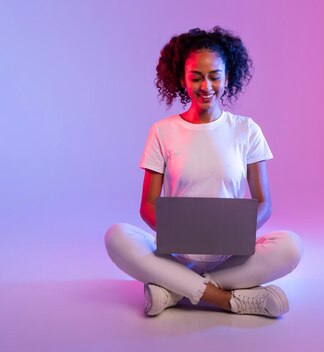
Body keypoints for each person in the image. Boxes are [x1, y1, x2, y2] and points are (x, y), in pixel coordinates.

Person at [104, 27, 303, 318]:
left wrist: (238, 232)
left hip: (231, 256)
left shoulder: (247, 130)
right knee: (116, 236)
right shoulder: (163, 131)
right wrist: (177, 233)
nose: (205, 85)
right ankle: (228, 300)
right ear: (182, 79)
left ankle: (173, 290)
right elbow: (147, 204)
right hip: (175, 254)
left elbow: (264, 203)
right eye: (196, 77)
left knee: (290, 246)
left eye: (214, 76)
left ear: (227, 77)